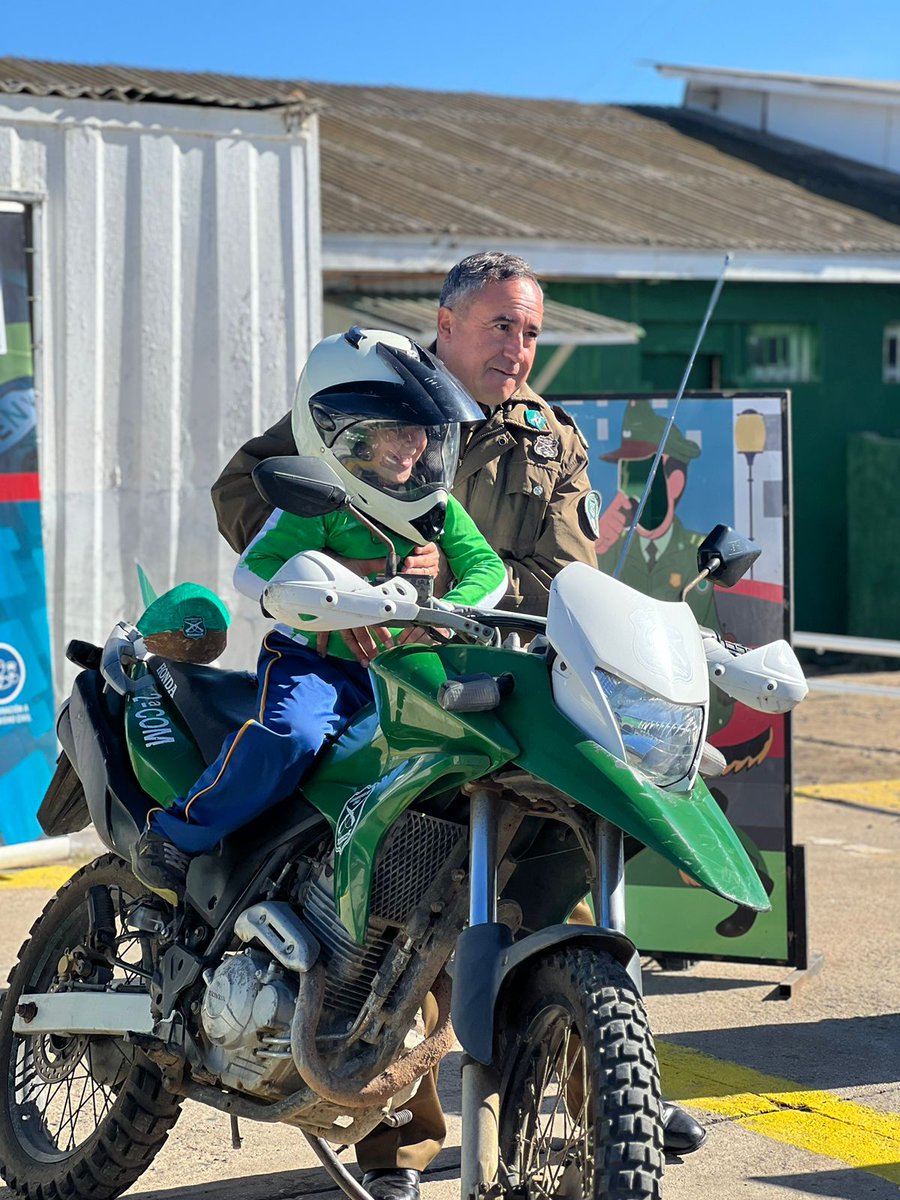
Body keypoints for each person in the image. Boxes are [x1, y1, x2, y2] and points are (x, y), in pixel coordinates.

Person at [210, 255, 706, 1187]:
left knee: (558, 877)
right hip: (381, 675)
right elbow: (249, 491)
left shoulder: (547, 436)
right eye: (498, 327)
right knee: (400, 903)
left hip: (505, 681)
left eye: (529, 331)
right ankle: (395, 1139)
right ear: (445, 322)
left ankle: (611, 1095)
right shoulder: (372, 388)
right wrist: (345, 569)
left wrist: (470, 590)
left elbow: (566, 576)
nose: (517, 350)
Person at [131, 327, 507, 907]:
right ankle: (178, 834)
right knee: (294, 737)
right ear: (347, 433)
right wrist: (338, 589)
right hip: (317, 662)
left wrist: (451, 602)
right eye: (396, 430)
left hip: (404, 666)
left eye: (423, 432)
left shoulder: (436, 505)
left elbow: (488, 568)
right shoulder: (320, 497)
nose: (413, 446)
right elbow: (255, 572)